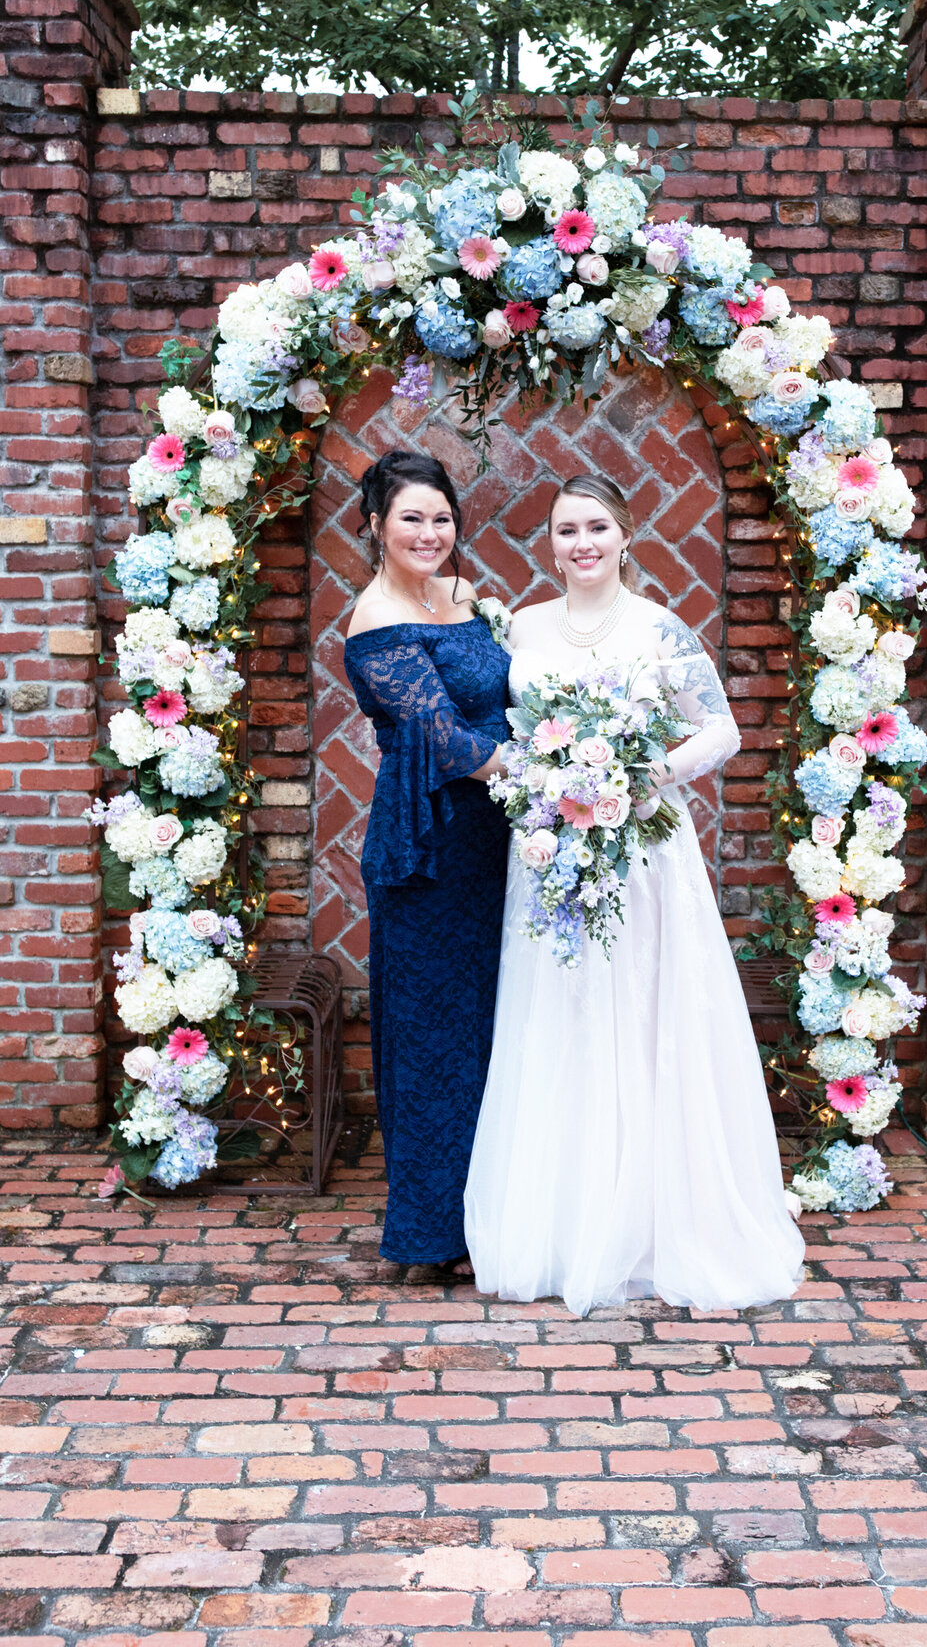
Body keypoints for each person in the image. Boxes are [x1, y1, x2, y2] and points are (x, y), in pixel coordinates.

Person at [464, 473, 805, 1315]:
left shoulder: (659, 626)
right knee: (562, 1013)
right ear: (549, 543)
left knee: (649, 1014)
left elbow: (722, 727)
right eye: (564, 530)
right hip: (548, 851)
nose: (580, 544)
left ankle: (657, 1219)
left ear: (625, 536)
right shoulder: (517, 628)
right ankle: (567, 1221)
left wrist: (653, 770)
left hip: (644, 851)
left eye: (595, 528)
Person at [343, 449, 510, 1282]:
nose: (429, 532)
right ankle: (430, 1232)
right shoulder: (374, 619)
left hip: (505, 844)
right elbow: (445, 740)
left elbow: (509, 696)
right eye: (411, 517)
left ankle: (501, 1215)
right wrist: (557, 770)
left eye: (441, 517)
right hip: (430, 851)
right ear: (375, 525)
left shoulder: (467, 598)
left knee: (500, 1028)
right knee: (435, 1035)